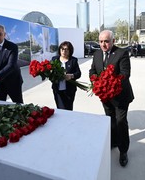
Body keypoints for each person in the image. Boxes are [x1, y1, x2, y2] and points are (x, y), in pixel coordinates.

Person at [89, 30, 134, 167]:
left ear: (113, 41)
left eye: (106, 41)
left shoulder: (121, 53)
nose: (103, 44)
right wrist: (95, 81)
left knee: (120, 122)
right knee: (110, 120)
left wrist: (110, 84)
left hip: (120, 96)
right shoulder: (97, 54)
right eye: (101, 41)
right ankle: (114, 141)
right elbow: (92, 71)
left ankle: (123, 151)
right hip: (105, 97)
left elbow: (125, 74)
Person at [51, 41, 81, 110]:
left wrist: (71, 76)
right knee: (60, 108)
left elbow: (78, 73)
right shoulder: (54, 59)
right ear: (59, 50)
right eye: (62, 49)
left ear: (70, 51)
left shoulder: (73, 60)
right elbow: (51, 73)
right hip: (57, 90)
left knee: (68, 108)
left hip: (69, 90)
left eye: (66, 49)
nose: (64, 51)